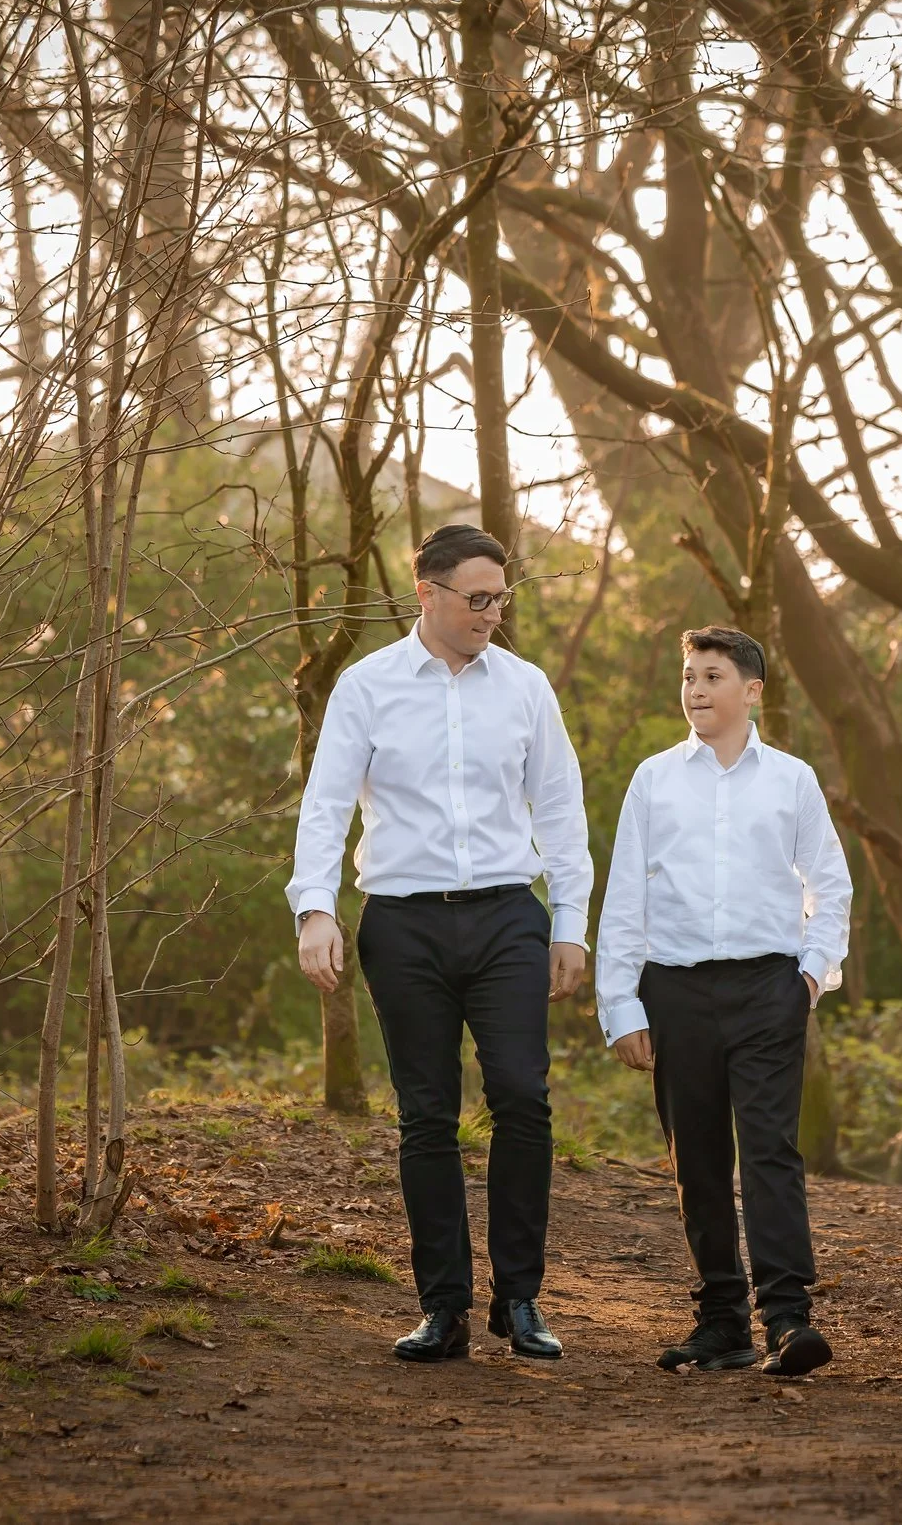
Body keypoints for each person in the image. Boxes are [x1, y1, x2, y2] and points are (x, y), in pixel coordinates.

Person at [289, 524, 592, 1363]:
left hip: (506, 917)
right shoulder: (367, 686)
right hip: (404, 922)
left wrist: (569, 922)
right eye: (477, 597)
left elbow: (561, 810)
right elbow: (325, 804)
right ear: (427, 594)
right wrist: (317, 908)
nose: (493, 612)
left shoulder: (526, 688)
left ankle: (520, 1299)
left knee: (522, 1099)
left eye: (502, 597)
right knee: (427, 1116)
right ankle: (444, 1307)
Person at [596, 626, 853, 1377]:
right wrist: (622, 1003)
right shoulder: (653, 780)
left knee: (770, 1150)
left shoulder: (793, 780)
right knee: (697, 1159)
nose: (696, 689)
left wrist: (809, 975)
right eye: (688, 676)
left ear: (752, 690)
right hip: (673, 990)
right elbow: (624, 899)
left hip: (766, 988)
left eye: (712, 675)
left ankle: (787, 1317)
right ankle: (722, 1319)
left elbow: (829, 884)